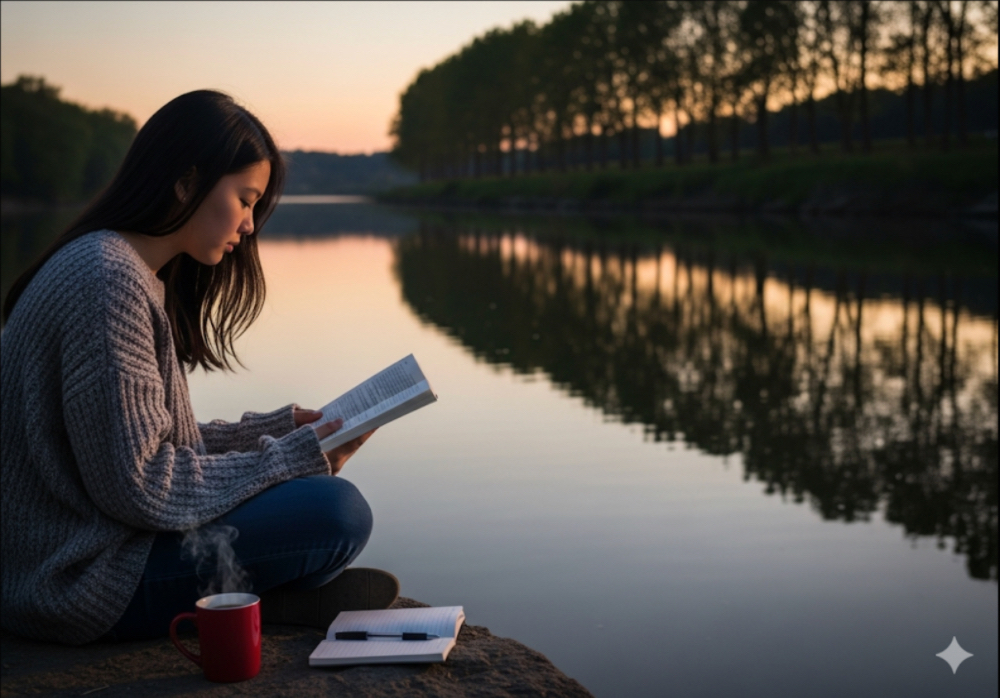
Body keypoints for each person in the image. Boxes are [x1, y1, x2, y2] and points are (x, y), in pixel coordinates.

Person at [0, 90, 398, 645]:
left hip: (85, 550)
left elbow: (144, 448)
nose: (250, 225)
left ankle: (259, 602)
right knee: (336, 513)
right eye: (245, 200)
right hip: (74, 579)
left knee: (315, 501)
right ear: (186, 184)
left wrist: (274, 432)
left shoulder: (115, 267)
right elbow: (141, 485)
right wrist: (289, 458)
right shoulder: (108, 282)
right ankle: (265, 602)